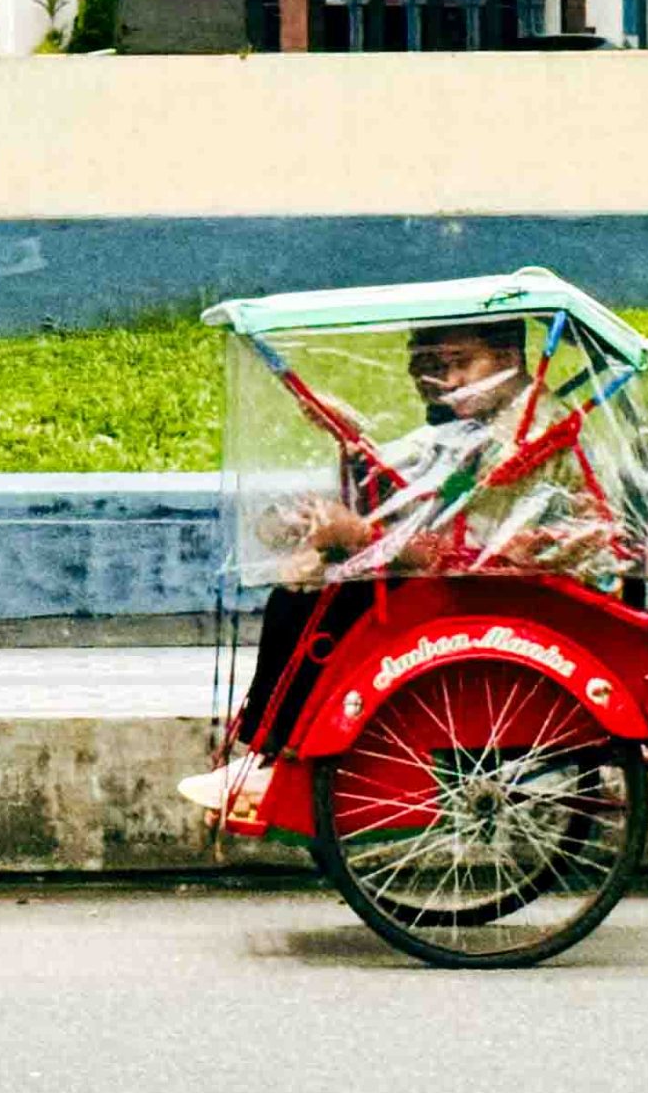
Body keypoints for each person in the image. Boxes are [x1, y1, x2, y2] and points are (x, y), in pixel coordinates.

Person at [179, 318, 545, 817]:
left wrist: (360, 535)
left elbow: (466, 552)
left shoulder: (522, 439)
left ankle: (279, 758)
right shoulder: (467, 428)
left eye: (459, 364)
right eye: (430, 368)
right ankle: (268, 755)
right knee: (303, 579)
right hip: (468, 586)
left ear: (507, 361)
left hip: (499, 596)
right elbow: (409, 486)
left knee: (333, 597)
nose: (445, 382)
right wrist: (350, 445)